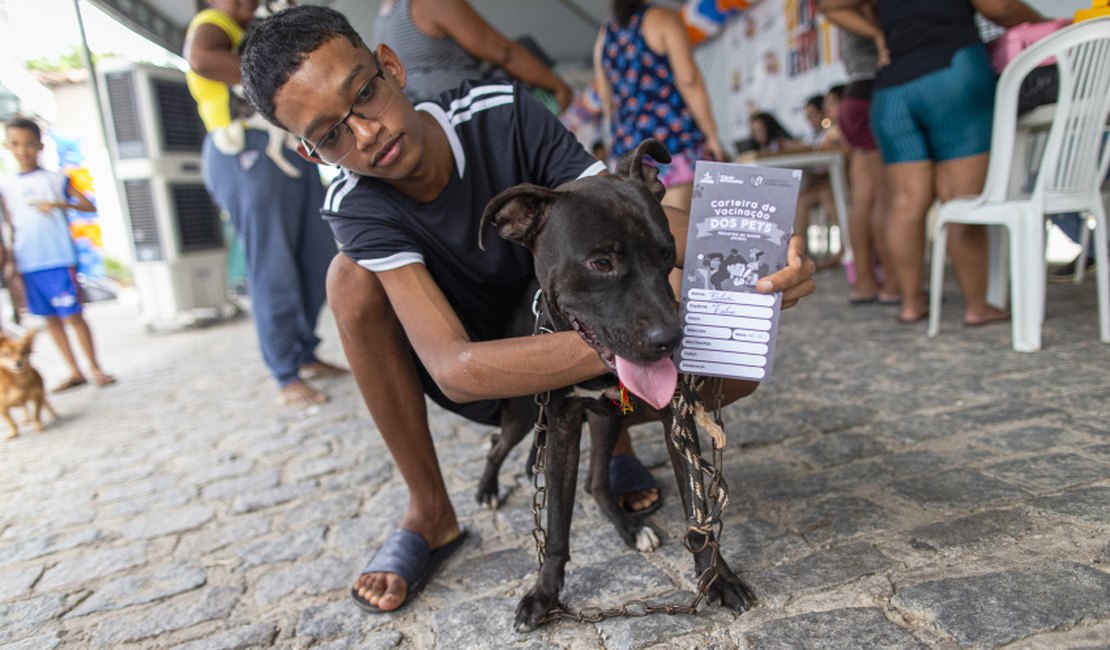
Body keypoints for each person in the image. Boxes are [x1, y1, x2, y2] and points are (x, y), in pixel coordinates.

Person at [240, 5, 816, 613]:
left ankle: (612, 431)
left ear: (390, 66)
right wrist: (638, 336)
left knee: (736, 365)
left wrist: (760, 253)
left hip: (576, 323)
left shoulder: (502, 111)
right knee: (349, 280)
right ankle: (428, 510)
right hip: (492, 370)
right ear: (310, 153)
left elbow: (619, 209)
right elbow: (455, 368)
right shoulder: (354, 200)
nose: (364, 133)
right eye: (330, 134)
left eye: (363, 96)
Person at [822, 0, 1044, 325]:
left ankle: (910, 303)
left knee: (904, 203)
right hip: (953, 72)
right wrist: (1043, 25)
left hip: (892, 90)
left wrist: (879, 33)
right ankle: (977, 306)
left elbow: (831, 6)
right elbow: (1002, 8)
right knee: (962, 201)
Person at [184, 0, 345, 407]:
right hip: (245, 152)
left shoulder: (258, 25)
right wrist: (282, 72)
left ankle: (304, 352)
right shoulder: (213, 24)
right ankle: (284, 372)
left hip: (292, 149)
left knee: (317, 253)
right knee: (272, 262)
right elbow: (201, 58)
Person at [0, 117, 115, 392]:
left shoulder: (56, 179)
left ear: (39, 145)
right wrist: (9, 263)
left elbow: (87, 204)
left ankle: (95, 367)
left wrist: (59, 204)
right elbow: (8, 227)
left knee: (73, 315)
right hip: (28, 262)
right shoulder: (6, 187)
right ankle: (74, 371)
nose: (23, 150)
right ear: (7, 146)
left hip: (59, 259)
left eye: (29, 144)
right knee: (50, 318)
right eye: (16, 144)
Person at [594, 0, 725, 215]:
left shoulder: (605, 33)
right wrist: (712, 134)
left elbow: (606, 99)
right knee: (678, 225)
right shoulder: (663, 18)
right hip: (672, 145)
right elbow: (689, 81)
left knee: (642, 231)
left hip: (626, 153)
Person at [819, 10, 899, 304]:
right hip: (871, 94)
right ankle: (892, 283)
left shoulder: (844, 11)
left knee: (862, 201)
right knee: (882, 198)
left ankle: (865, 281)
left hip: (854, 95)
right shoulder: (861, 10)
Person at [373, 0, 573, 110]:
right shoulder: (429, 3)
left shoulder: (384, 14)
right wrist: (558, 87)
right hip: (471, 121)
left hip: (438, 126)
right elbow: (504, 52)